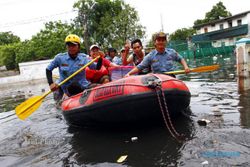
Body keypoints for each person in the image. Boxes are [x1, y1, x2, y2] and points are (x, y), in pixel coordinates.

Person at [46, 34, 102, 98]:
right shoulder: (60, 58)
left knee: (99, 87)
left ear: (78, 47)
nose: (71, 48)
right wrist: (51, 83)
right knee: (60, 92)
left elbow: (97, 67)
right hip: (66, 87)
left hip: (83, 86)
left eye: (73, 46)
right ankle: (61, 99)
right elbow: (48, 69)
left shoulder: (84, 58)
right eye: (69, 46)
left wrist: (100, 58)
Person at [125, 32, 190, 77]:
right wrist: (129, 73)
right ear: (155, 42)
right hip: (158, 79)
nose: (161, 42)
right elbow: (140, 67)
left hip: (170, 78)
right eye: (158, 40)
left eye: (163, 40)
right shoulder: (150, 56)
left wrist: (186, 67)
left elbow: (180, 59)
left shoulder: (171, 52)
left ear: (166, 42)